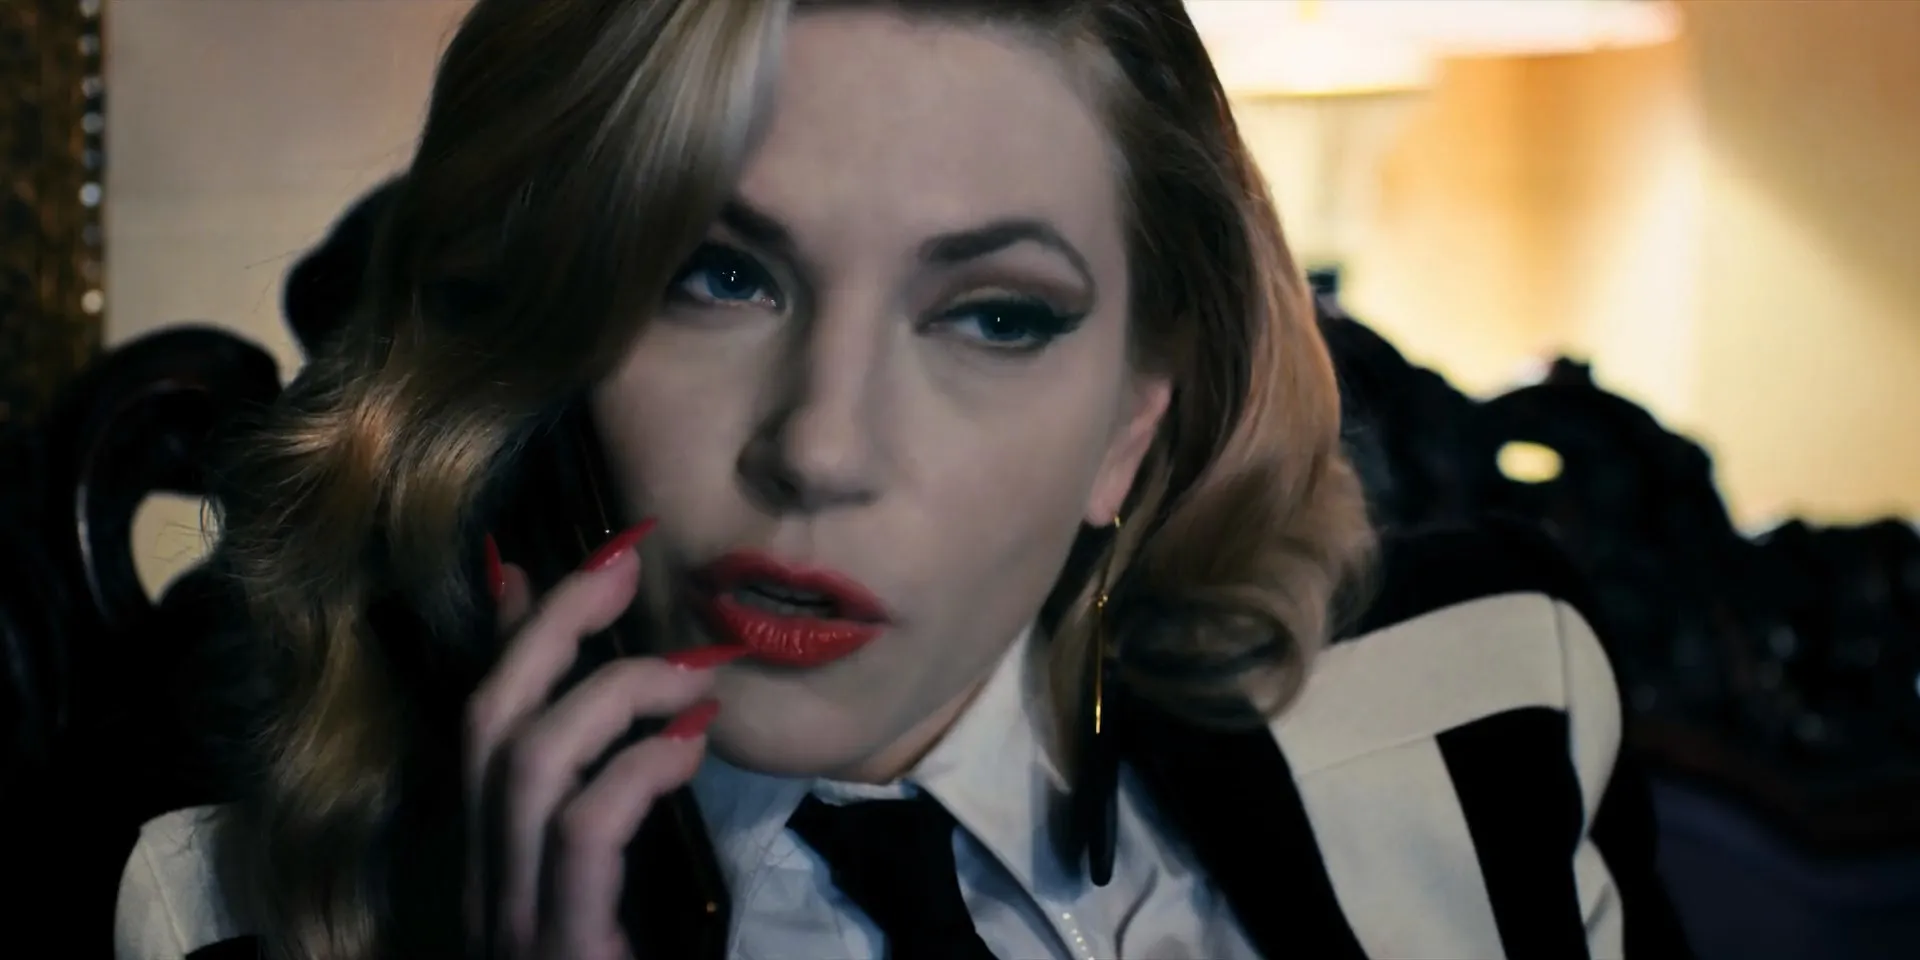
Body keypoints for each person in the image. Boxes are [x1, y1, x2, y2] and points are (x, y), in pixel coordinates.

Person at [114, 1, 1690, 958]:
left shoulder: (1486, 700)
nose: (822, 449)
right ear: (554, 344)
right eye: (717, 276)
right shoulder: (213, 910)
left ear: (1135, 418)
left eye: (995, 316)